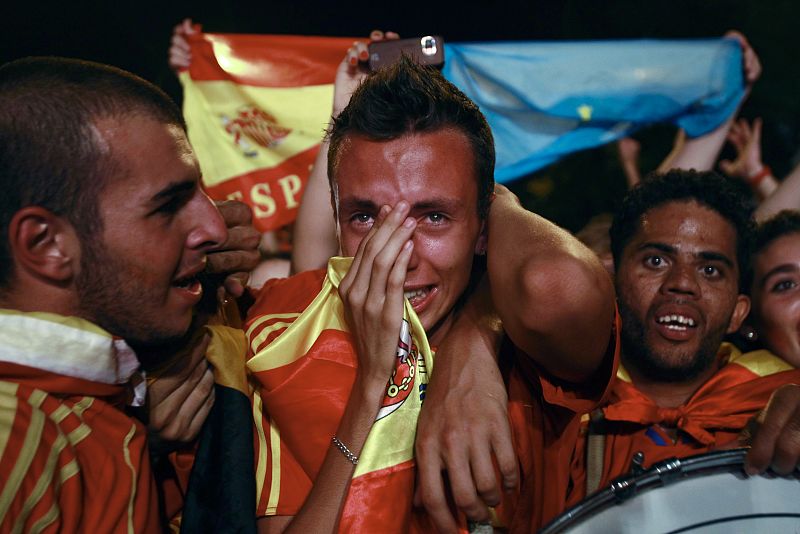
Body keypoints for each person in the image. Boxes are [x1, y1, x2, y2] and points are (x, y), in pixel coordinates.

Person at [245, 57, 617, 533]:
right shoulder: (285, 326)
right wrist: (372, 385)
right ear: (336, 217)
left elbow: (558, 286)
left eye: (434, 216)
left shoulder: (524, 329)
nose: (399, 254)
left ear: (483, 227)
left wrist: (477, 331)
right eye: (365, 217)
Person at [0, 56, 254, 531]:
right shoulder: (14, 435)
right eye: (168, 205)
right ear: (46, 245)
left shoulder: (92, 403)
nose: (217, 227)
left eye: (200, 192)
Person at [558, 170, 800, 517]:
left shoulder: (780, 395)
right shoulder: (554, 412)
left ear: (738, 312)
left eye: (710, 270)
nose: (683, 283)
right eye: (656, 261)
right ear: (611, 283)